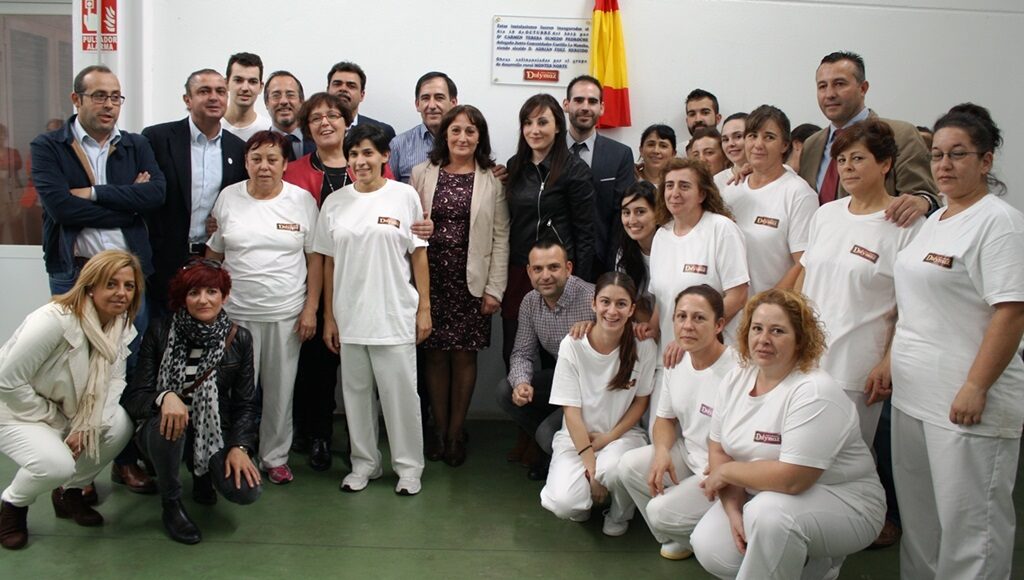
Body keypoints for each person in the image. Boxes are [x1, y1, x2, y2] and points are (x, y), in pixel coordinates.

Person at [891, 104, 1024, 579]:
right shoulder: (936, 220)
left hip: (965, 400)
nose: (944, 164)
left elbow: (1011, 311)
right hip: (913, 396)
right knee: (922, 523)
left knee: (972, 530)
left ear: (986, 161)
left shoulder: (999, 223)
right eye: (937, 155)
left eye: (958, 154)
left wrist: (976, 385)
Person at [32, 64, 164, 494]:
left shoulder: (135, 145)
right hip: (76, 275)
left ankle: (122, 459)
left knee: (128, 367)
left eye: (115, 97)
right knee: (74, 371)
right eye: (99, 96)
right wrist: (127, 205)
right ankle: (74, 470)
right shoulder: (50, 146)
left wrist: (92, 194)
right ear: (77, 99)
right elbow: (59, 207)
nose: (109, 105)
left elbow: (155, 195)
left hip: (129, 278)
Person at [690, 289, 885, 579]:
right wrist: (733, 511)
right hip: (767, 496)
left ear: (800, 340)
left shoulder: (814, 391)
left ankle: (820, 559)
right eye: (757, 328)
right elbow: (718, 449)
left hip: (846, 501)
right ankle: (807, 563)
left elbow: (794, 479)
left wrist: (728, 472)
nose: (763, 339)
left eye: (777, 331)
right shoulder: (736, 378)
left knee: (769, 516)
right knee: (710, 547)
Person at [313, 123, 431, 496]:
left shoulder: (404, 196)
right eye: (353, 154)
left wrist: (424, 308)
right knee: (356, 396)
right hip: (350, 316)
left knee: (401, 397)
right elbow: (328, 261)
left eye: (367, 153)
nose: (360, 161)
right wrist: (329, 316)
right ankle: (364, 464)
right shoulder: (335, 202)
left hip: (394, 313)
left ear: (384, 156)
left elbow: (419, 254)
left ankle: (408, 468)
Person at [0, 250, 142, 550]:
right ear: (90, 286)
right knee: (55, 465)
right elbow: (6, 381)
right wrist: (59, 418)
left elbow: (114, 381)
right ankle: (14, 504)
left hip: (69, 411)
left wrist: (86, 424)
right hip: (18, 411)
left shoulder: (120, 325)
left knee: (119, 425)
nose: (121, 293)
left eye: (129, 286)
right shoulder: (54, 320)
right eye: (111, 284)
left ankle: (69, 492)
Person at [797, 118, 922, 445]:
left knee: (849, 456)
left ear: (885, 164)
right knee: (802, 451)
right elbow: (805, 279)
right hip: (808, 358)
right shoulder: (826, 214)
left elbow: (913, 308)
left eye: (858, 158)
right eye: (841, 160)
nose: (847, 167)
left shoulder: (905, 225)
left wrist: (888, 362)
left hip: (858, 367)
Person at [206, 131, 320, 485]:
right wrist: (210, 307)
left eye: (272, 159)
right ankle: (233, 452)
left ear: (285, 164)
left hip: (285, 313)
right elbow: (214, 254)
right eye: (256, 159)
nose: (264, 166)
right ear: (246, 163)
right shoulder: (229, 197)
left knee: (280, 391)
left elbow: (315, 259)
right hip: (235, 316)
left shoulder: (301, 201)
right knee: (234, 391)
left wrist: (311, 308)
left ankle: (275, 457)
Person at [122, 258, 261, 545]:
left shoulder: (239, 339)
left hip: (213, 429)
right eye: (194, 293)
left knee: (246, 491)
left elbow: (246, 403)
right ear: (182, 298)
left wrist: (240, 446)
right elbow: (136, 397)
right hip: (162, 427)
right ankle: (171, 503)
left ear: (224, 296)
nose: (203, 300)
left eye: (212, 291)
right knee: (170, 424)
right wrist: (165, 397)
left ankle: (203, 475)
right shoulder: (160, 331)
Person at [411, 105, 509, 466]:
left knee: (465, 357)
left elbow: (501, 236)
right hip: (431, 280)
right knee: (435, 356)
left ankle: (455, 433)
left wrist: (495, 288)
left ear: (480, 136)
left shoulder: (492, 179)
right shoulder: (421, 173)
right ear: (445, 135)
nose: (462, 137)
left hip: (472, 283)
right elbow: (408, 224)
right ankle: (438, 430)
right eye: (456, 131)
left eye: (470, 131)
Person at [616, 285, 742, 559]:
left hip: (721, 469)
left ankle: (702, 534)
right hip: (689, 454)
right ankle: (679, 536)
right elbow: (664, 419)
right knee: (628, 465)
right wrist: (662, 451)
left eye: (699, 318)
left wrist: (724, 473)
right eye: (681, 316)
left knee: (659, 512)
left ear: (719, 325)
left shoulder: (738, 371)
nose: (687, 326)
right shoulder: (677, 361)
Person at [540, 272, 655, 537]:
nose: (612, 311)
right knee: (565, 504)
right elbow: (571, 412)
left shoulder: (644, 347)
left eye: (621, 304)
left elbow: (641, 402)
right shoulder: (573, 344)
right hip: (577, 439)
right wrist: (592, 471)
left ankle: (619, 514)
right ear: (593, 304)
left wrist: (609, 438)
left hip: (621, 436)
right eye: (605, 302)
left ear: (632, 309)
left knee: (615, 470)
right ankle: (585, 499)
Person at [280, 91, 353, 471]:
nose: (325, 122)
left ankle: (360, 439)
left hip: (359, 283)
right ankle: (317, 435)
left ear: (347, 122)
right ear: (307, 129)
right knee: (316, 367)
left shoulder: (369, 164)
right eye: (316, 118)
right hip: (309, 281)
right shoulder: (292, 172)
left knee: (358, 368)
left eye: (333, 115)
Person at [143, 68, 248, 318]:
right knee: (161, 333)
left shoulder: (237, 148)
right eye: (204, 91)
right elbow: (145, 195)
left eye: (220, 91)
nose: (214, 97)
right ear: (187, 100)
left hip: (211, 258)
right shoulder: (157, 138)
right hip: (164, 259)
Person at [798, 51, 939, 217]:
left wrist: (924, 202)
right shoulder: (811, 145)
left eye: (839, 84)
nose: (830, 94)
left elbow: (925, 196)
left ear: (863, 88)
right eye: (822, 86)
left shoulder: (901, 135)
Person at [498, 240, 595, 480]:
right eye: (538, 269)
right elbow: (521, 353)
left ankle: (583, 466)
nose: (545, 276)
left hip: (595, 390)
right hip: (564, 381)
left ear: (568, 268)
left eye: (553, 267)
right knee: (506, 391)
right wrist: (521, 383)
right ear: (529, 272)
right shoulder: (530, 302)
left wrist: (596, 328)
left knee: (547, 433)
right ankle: (558, 452)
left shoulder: (592, 298)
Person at [649, 157, 748, 352]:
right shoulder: (661, 235)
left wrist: (690, 335)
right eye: (669, 186)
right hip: (670, 356)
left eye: (684, 186)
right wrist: (651, 327)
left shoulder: (722, 229)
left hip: (713, 354)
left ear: (702, 194)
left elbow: (738, 296)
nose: (675, 193)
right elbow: (663, 298)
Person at [720, 105, 817, 295]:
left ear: (785, 145)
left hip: (771, 308)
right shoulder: (731, 190)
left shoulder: (799, 193)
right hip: (730, 309)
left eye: (769, 137)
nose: (758, 144)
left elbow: (803, 265)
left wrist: (764, 305)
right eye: (752, 136)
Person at [562, 75, 636, 273]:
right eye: (579, 100)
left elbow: (621, 215)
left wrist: (611, 267)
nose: (585, 107)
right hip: (554, 262)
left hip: (600, 262)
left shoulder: (620, 155)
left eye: (592, 101)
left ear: (601, 108)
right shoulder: (548, 149)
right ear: (566, 105)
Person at [389, 72, 458, 183]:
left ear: (453, 103)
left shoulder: (466, 143)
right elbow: (387, 189)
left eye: (439, 98)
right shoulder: (399, 145)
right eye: (425, 98)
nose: (432, 106)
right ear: (417, 104)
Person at [615, 181, 660, 319]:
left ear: (658, 213)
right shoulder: (624, 252)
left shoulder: (674, 247)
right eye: (626, 213)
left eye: (640, 212)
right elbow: (632, 300)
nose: (632, 220)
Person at [326, 61, 395, 142]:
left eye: (351, 86)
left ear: (362, 95)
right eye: (337, 84)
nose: (343, 89)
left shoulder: (382, 132)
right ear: (327, 91)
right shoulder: (313, 129)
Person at [221, 52, 271, 141]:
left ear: (261, 87)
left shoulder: (269, 130)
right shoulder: (211, 127)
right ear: (226, 83)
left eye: (252, 82)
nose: (245, 88)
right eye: (238, 80)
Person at [265, 71, 313, 161]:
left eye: (290, 95)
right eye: (276, 95)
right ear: (266, 103)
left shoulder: (319, 142)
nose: (283, 101)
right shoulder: (258, 148)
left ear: (301, 101)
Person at [713, 113, 748, 193]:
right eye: (725, 139)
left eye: (738, 136)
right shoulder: (716, 182)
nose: (730, 144)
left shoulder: (772, 173)